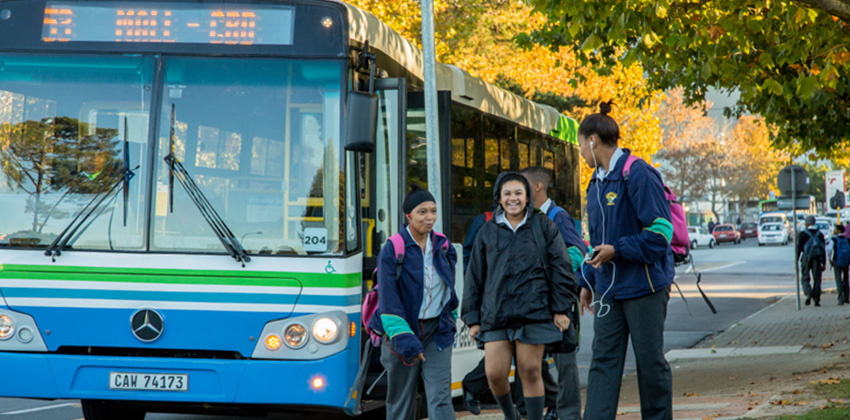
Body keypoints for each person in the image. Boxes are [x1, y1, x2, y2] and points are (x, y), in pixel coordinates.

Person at [578, 102, 675, 420]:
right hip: (608, 289)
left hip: (645, 287)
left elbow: (661, 234)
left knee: (650, 364)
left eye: (580, 143)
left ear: (592, 140)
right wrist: (588, 282)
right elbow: (595, 242)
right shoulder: (595, 182)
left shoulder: (639, 173)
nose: (580, 151)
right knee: (602, 363)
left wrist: (617, 250)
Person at [463, 172, 578, 420]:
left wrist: (560, 309)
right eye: (507, 194)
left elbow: (562, 268)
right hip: (496, 314)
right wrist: (472, 318)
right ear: (499, 197)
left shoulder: (544, 225)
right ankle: (510, 415)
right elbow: (474, 277)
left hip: (534, 312)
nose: (513, 198)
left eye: (518, 193)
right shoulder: (487, 231)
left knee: (530, 370)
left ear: (528, 197)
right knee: (494, 373)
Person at [372, 184, 458, 420]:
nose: (429, 217)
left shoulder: (444, 246)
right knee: (401, 401)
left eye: (433, 211)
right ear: (408, 215)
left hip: (437, 332)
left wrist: (451, 317)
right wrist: (403, 337)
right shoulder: (393, 248)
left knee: (440, 398)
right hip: (402, 331)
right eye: (422, 212)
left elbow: (450, 289)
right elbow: (388, 299)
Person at [521, 166, 586, 420]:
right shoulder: (529, 216)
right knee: (530, 357)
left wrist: (548, 271)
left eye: (523, 184)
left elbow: (576, 253)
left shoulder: (558, 216)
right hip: (536, 301)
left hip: (559, 300)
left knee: (564, 360)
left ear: (537, 187)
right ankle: (554, 402)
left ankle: (569, 413)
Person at [797, 215, 826, 307]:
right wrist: (824, 263)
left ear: (806, 223)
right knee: (817, 278)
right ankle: (817, 299)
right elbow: (823, 249)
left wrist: (796, 260)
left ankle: (808, 292)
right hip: (817, 258)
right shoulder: (820, 234)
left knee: (805, 276)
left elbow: (799, 248)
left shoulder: (802, 234)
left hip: (806, 257)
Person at [828, 224, 849, 305]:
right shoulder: (847, 240)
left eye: (835, 229)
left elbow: (829, 249)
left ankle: (840, 299)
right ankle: (847, 297)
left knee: (838, 279)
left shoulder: (834, 239)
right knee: (846, 279)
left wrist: (830, 259)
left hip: (837, 261)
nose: (834, 230)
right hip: (846, 262)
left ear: (839, 231)